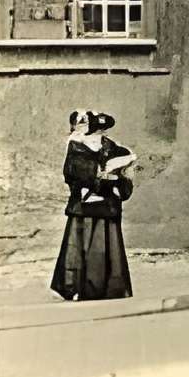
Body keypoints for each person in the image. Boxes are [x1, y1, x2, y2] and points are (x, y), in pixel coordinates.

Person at [50, 109, 136, 302]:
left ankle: (107, 288)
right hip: (85, 204)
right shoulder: (76, 147)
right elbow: (72, 173)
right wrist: (98, 177)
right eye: (96, 129)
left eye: (103, 130)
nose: (100, 133)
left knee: (105, 246)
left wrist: (118, 178)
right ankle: (75, 287)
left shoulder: (112, 147)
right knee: (80, 245)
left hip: (107, 205)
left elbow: (124, 173)